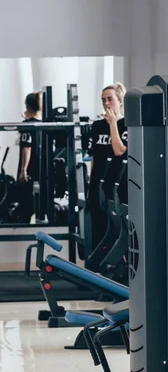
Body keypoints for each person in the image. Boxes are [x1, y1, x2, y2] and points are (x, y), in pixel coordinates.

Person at [86, 82, 128, 255]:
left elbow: (120, 151)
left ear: (120, 101)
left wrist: (112, 124)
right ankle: (96, 272)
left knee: (117, 230)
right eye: (103, 100)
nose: (106, 103)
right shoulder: (96, 126)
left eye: (110, 99)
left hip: (117, 186)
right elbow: (94, 156)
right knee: (98, 229)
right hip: (98, 184)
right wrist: (91, 184)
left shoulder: (127, 125)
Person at [15, 91, 43, 223]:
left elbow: (27, 147)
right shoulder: (39, 125)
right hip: (35, 169)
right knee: (31, 203)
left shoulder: (29, 125)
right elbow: (27, 147)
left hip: (31, 169)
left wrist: (23, 170)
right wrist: (24, 170)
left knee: (27, 204)